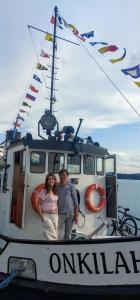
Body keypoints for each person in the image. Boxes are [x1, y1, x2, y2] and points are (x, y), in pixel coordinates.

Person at [57, 169, 79, 240]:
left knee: (68, 235)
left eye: (64, 175)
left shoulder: (71, 186)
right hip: (60, 213)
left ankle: (65, 249)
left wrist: (76, 215)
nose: (62, 177)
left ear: (67, 176)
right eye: (61, 175)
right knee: (56, 233)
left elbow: (75, 202)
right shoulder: (56, 186)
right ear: (59, 176)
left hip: (70, 214)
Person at [37, 173, 58, 240]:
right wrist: (42, 218)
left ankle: (49, 248)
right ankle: (56, 249)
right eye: (49, 179)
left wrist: (56, 212)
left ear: (54, 181)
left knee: (54, 233)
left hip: (55, 216)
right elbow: (39, 205)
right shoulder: (44, 192)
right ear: (47, 181)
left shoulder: (55, 191)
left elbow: (56, 203)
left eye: (52, 179)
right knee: (53, 236)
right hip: (46, 216)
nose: (51, 180)